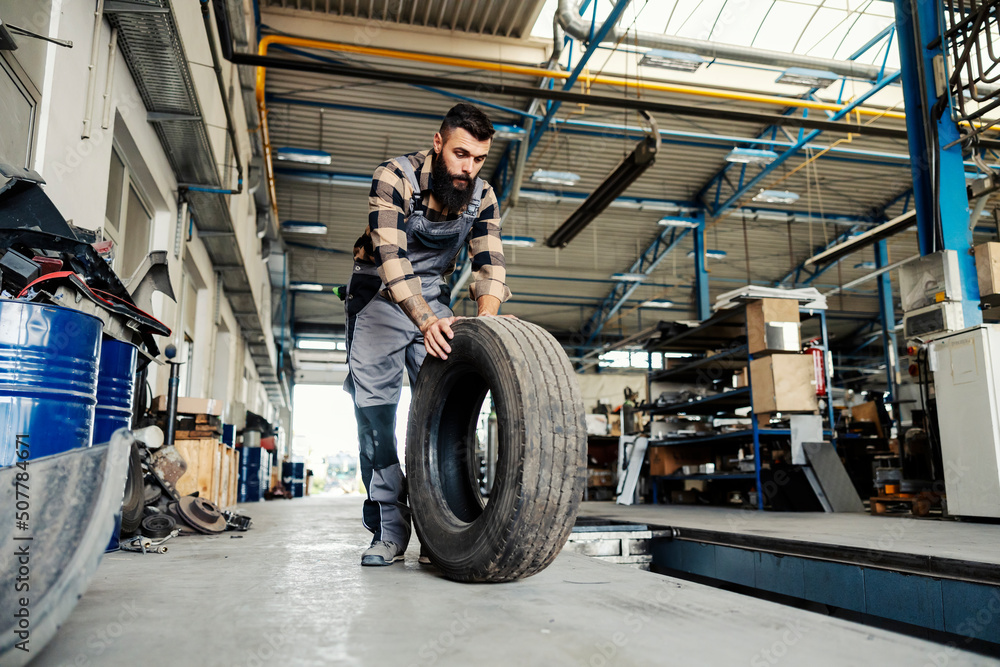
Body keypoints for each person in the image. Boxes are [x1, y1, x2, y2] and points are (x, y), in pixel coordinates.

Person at [344, 103, 511, 566]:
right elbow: (392, 259)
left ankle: (442, 531)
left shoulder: (483, 196)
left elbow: (490, 264)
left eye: (478, 159)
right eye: (460, 154)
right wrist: (423, 319)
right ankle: (389, 532)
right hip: (379, 295)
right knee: (375, 419)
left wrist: (487, 324)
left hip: (434, 302)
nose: (467, 168)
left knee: (446, 413)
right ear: (438, 143)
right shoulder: (394, 176)